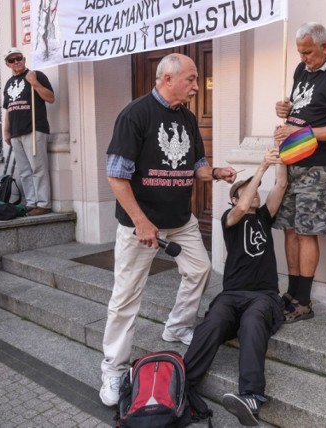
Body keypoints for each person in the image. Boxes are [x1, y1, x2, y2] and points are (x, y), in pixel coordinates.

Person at [99, 53, 237, 407]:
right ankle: (113, 371)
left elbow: (197, 166)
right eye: (190, 79)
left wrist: (216, 172)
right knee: (126, 296)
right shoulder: (136, 114)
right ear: (166, 78)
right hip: (140, 223)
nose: (196, 86)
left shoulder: (188, 118)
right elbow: (116, 175)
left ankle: (177, 326)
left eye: (195, 79)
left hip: (180, 219)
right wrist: (141, 220)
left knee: (200, 269)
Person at [184, 146, 287, 427]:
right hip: (231, 295)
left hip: (263, 297)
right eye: (247, 189)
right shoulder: (229, 219)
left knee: (254, 321)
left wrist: (283, 156)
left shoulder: (264, 217)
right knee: (213, 320)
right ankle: (183, 383)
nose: (255, 192)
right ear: (233, 198)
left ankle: (251, 397)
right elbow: (242, 207)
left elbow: (281, 184)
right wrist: (261, 168)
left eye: (255, 190)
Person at [273, 22, 326, 323]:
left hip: (317, 165)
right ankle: (291, 293)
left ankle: (304, 302)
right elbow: (300, 110)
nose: (303, 58)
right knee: (289, 228)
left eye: (308, 52)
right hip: (291, 160)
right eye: (300, 52)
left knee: (307, 231)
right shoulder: (301, 71)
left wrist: (305, 132)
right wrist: (285, 110)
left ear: (325, 47)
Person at [2, 47, 55, 216]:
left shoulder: (36, 75)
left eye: (18, 58)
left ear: (24, 59)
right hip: (16, 132)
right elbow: (9, 109)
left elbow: (50, 98)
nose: (16, 62)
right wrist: (6, 131)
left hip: (34, 129)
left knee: (38, 168)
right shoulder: (9, 83)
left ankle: (44, 203)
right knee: (24, 171)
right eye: (12, 60)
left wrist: (34, 83)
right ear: (7, 64)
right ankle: (31, 202)